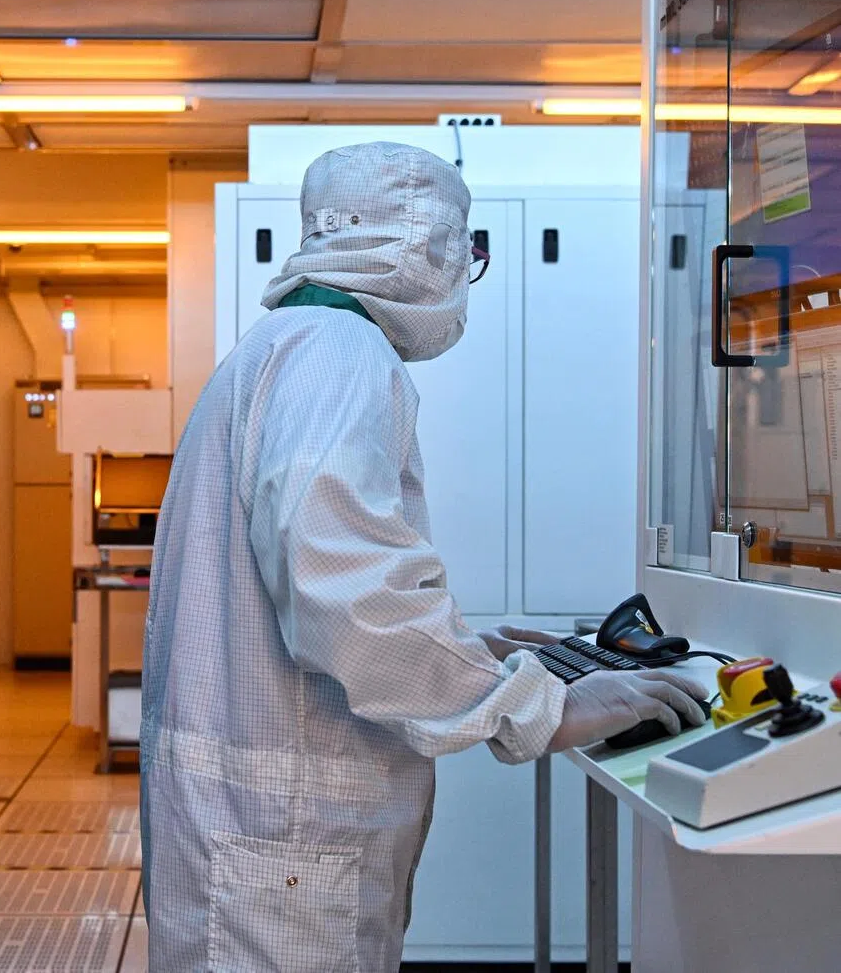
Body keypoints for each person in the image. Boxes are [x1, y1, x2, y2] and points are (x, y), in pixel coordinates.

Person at [140, 141, 706, 972]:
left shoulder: (277, 349)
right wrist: (533, 707)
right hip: (283, 850)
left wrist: (472, 653)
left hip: (254, 833)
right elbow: (344, 588)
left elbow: (303, 587)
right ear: (427, 244)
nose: (460, 277)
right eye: (464, 251)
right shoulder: (338, 352)